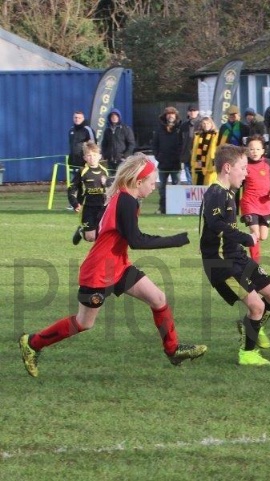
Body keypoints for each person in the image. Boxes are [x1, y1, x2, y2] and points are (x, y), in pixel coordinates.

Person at [19, 154, 207, 378]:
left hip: (118, 267)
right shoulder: (126, 200)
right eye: (152, 182)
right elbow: (136, 241)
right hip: (98, 272)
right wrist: (175, 240)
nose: (154, 186)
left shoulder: (124, 198)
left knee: (158, 299)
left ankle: (173, 350)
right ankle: (32, 343)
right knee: (83, 323)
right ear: (139, 181)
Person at [200, 144, 270, 367]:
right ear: (227, 168)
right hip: (220, 263)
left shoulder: (229, 192)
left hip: (236, 257)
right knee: (257, 307)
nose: (246, 173)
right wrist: (245, 237)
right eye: (243, 168)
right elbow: (215, 224)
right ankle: (247, 354)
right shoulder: (215, 193)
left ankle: (250, 326)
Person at [240, 135, 270, 262]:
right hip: (249, 203)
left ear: (263, 151)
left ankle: (240, 240)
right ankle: (255, 265)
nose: (255, 152)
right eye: (252, 149)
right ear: (247, 150)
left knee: (263, 236)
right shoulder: (243, 165)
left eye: (258, 149)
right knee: (255, 234)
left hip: (265, 204)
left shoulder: (269, 164)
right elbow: (236, 181)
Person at [68, 141, 109, 245]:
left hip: (102, 206)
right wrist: (75, 203)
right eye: (89, 156)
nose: (92, 158)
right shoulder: (82, 171)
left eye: (94, 155)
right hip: (87, 207)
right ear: (85, 158)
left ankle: (99, 254)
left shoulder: (104, 171)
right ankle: (81, 231)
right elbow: (72, 189)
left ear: (99, 156)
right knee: (91, 237)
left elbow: (110, 188)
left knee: (102, 234)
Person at [152, 106, 182, 214]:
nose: (170, 116)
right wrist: (158, 156)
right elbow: (154, 144)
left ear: (176, 115)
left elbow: (183, 144)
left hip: (176, 163)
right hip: (163, 163)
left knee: (176, 187)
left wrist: (180, 157)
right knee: (162, 188)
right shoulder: (159, 128)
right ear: (165, 116)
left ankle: (176, 208)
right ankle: (162, 208)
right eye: (168, 114)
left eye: (172, 113)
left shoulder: (180, 128)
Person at [101, 108, 136, 175]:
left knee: (121, 178)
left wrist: (125, 156)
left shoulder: (126, 129)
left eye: (116, 116)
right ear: (110, 118)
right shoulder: (107, 131)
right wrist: (105, 155)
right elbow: (104, 144)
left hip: (122, 161)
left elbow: (131, 144)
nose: (114, 118)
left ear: (119, 117)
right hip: (110, 162)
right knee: (111, 179)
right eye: (112, 116)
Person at [190, 116, 218, 186]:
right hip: (198, 164)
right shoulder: (198, 135)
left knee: (209, 185)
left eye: (208, 123)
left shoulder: (216, 135)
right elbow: (194, 149)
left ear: (211, 124)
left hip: (210, 164)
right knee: (198, 184)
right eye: (204, 123)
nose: (206, 125)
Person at [179, 104, 202, 186]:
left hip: (199, 157)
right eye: (190, 111)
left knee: (199, 181)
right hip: (187, 157)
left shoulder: (202, 124)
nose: (192, 112)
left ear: (198, 112)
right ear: (188, 112)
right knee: (190, 182)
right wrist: (181, 153)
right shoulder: (184, 125)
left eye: (194, 110)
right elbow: (180, 141)